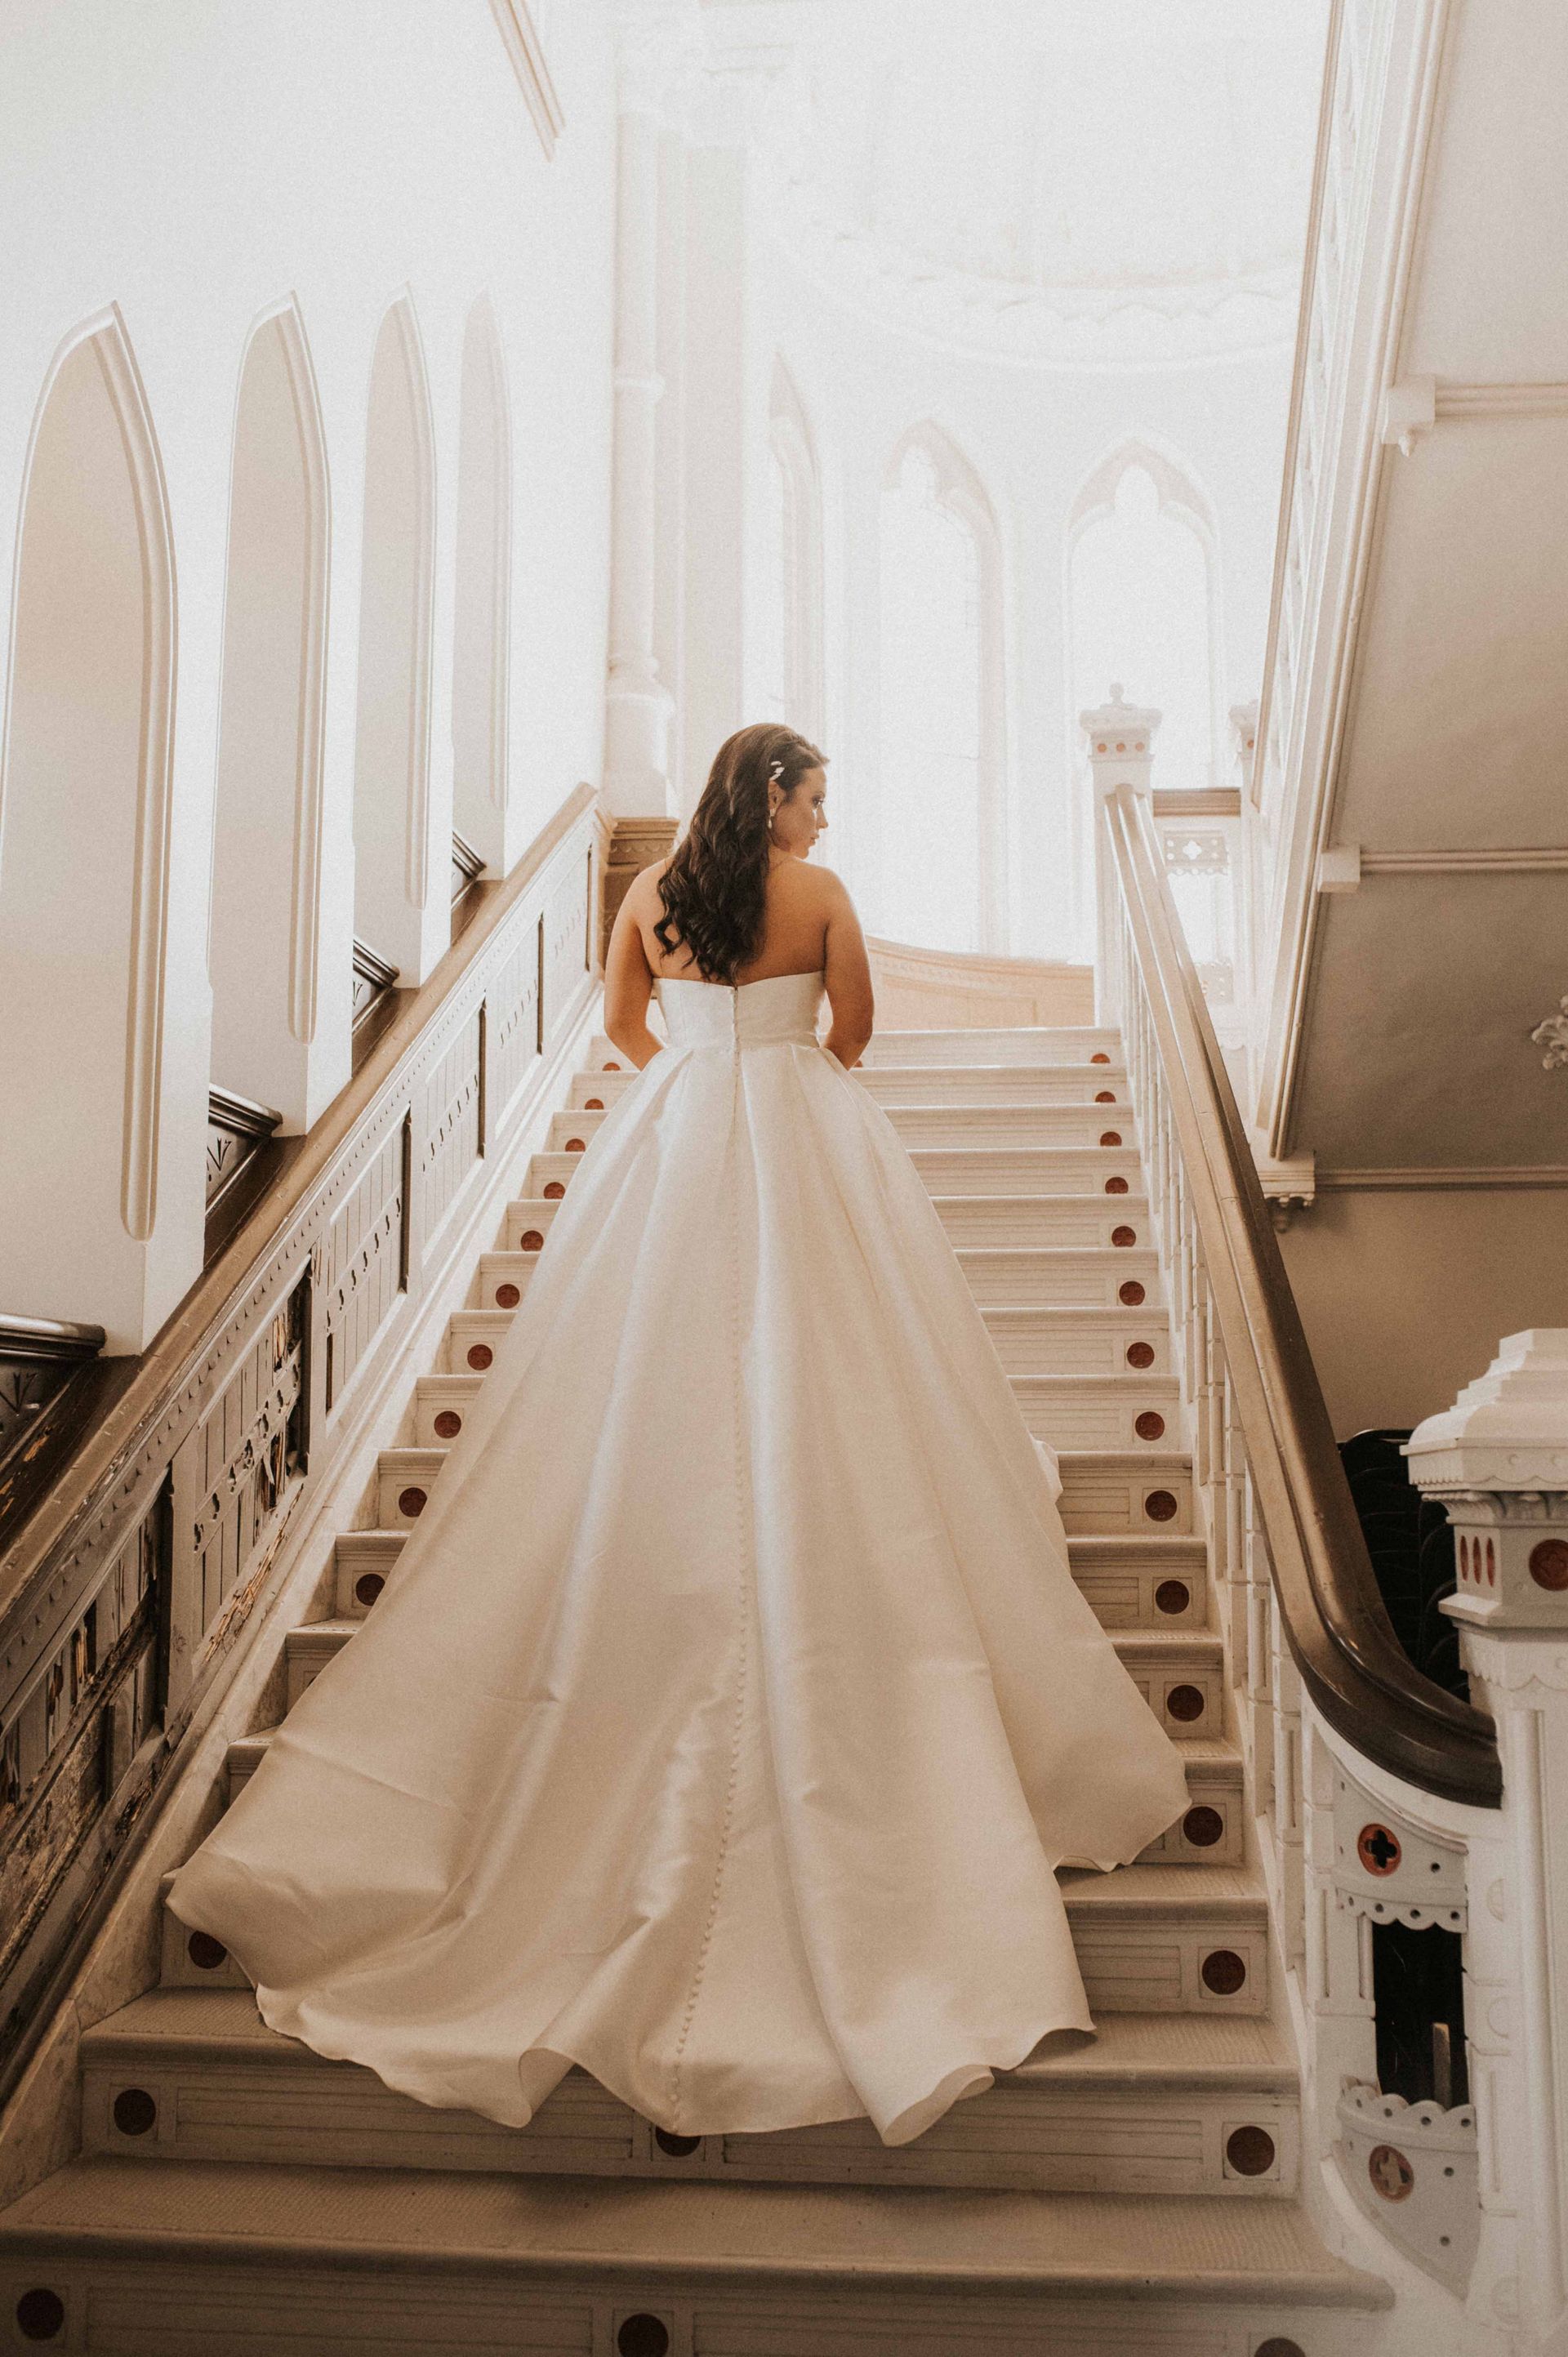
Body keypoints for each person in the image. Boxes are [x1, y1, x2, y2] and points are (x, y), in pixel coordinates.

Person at [169, 720, 1187, 2149]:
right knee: (833, 1358)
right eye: (817, 794)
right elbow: (856, 1036)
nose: (826, 820)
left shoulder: (650, 898)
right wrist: (777, 1059)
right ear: (771, 793)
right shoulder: (822, 904)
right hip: (797, 1127)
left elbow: (622, 1031)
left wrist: (696, 1057)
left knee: (635, 1362)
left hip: (676, 1132)